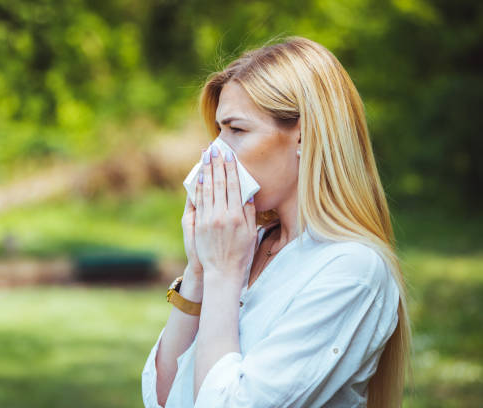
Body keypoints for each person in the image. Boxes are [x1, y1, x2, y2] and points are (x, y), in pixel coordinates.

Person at [141, 36, 411, 408]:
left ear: (304, 134)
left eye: (237, 130)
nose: (214, 153)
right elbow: (161, 397)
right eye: (219, 131)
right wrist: (199, 272)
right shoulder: (246, 245)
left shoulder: (351, 271)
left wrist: (222, 273)